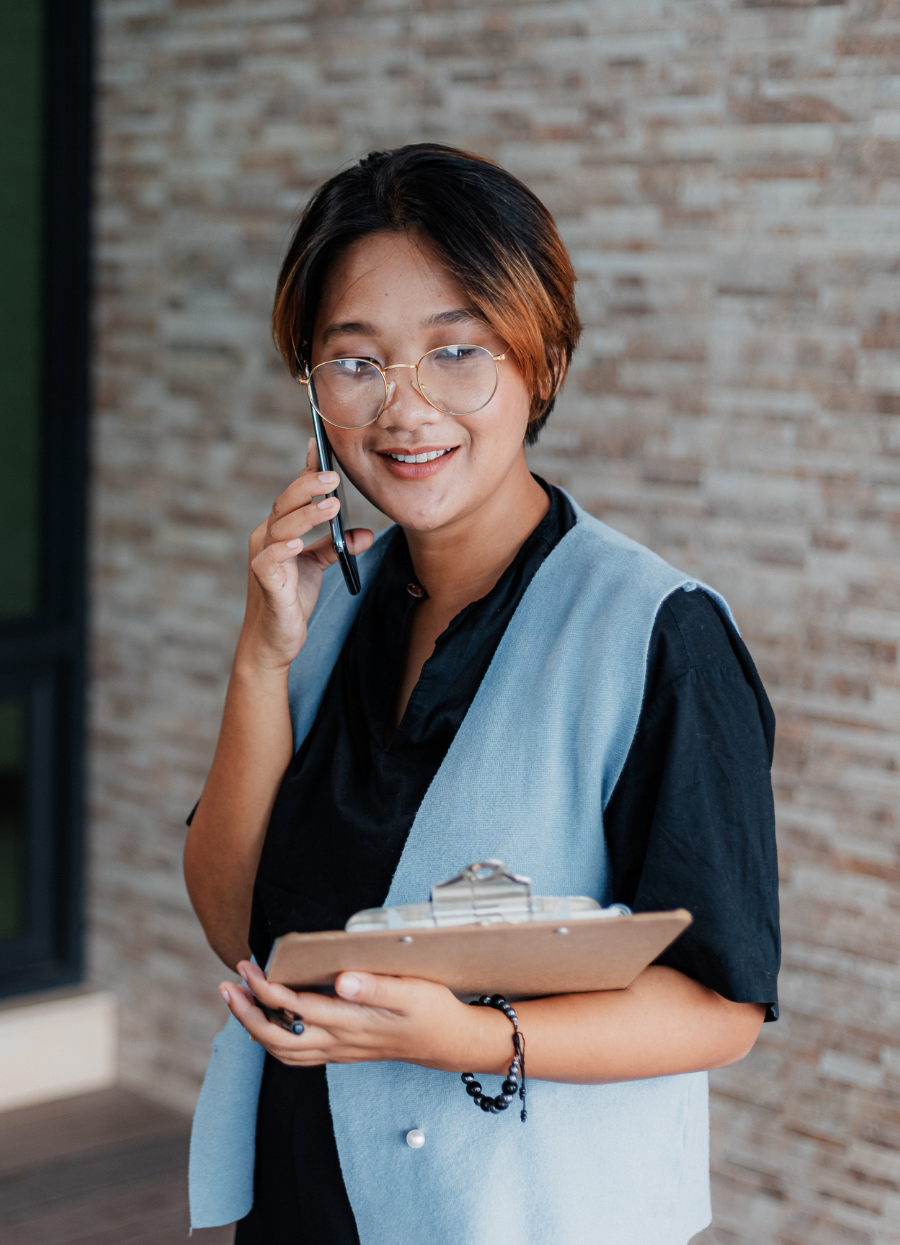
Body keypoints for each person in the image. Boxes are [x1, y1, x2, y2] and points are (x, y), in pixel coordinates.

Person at [183, 143, 779, 1245]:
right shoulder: (323, 604)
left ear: (539, 361)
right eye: (355, 363)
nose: (404, 410)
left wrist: (462, 1036)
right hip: (307, 1194)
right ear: (312, 386)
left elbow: (724, 1008)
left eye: (457, 352)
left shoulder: (661, 635)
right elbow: (237, 925)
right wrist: (261, 656)